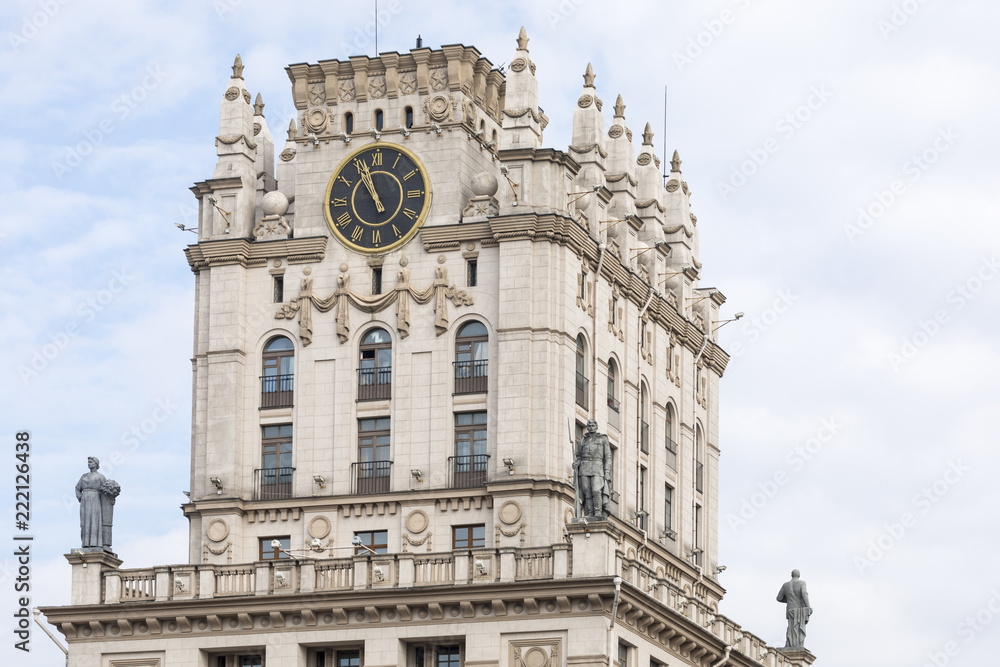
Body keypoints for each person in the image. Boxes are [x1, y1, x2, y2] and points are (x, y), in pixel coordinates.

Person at [575, 420, 613, 518]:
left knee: (596, 490)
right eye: (589, 426)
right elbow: (579, 455)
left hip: (598, 468)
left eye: (593, 425)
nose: (591, 427)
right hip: (584, 468)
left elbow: (608, 456)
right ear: (587, 428)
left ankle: (598, 512)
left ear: (596, 427)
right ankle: (590, 513)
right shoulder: (582, 440)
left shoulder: (603, 439)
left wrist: (607, 471)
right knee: (587, 492)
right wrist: (576, 463)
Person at [776, 569, 812, 649]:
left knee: (791, 627)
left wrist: (789, 600)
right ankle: (797, 645)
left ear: (791, 575)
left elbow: (779, 598)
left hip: (790, 608)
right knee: (798, 627)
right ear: (799, 575)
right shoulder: (802, 583)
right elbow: (804, 594)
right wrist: (808, 606)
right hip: (799, 609)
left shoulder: (786, 585)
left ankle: (790, 644)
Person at [75, 457, 107, 548]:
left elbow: (104, 491)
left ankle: (95, 543)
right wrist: (80, 496)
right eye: (88, 462)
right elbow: (77, 488)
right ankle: (85, 543)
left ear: (96, 464)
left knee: (94, 520)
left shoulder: (101, 477)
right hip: (85, 500)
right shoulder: (84, 476)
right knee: (84, 521)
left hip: (95, 499)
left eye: (91, 462)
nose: (89, 464)